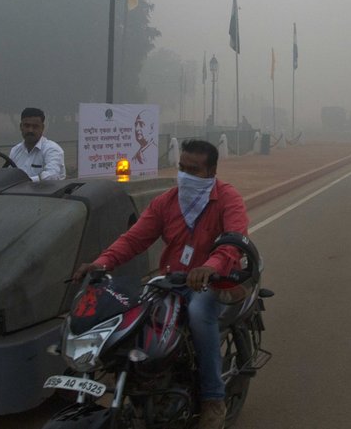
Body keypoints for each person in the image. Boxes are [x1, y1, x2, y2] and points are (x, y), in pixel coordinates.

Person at [72, 139, 248, 429]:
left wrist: (209, 267)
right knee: (136, 316)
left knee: (198, 315)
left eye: (194, 170)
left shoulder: (228, 199)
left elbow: (233, 244)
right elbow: (134, 238)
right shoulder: (167, 202)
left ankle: (213, 400)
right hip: (173, 279)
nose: (185, 176)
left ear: (211, 171)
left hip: (217, 281)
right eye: (182, 168)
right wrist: (101, 263)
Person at [9, 107, 66, 181]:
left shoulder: (52, 149)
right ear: (21, 127)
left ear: (42, 128)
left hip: (45, 192)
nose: (30, 130)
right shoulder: (15, 150)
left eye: (35, 126)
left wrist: (26, 181)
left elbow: (52, 175)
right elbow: (8, 175)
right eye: (27, 126)